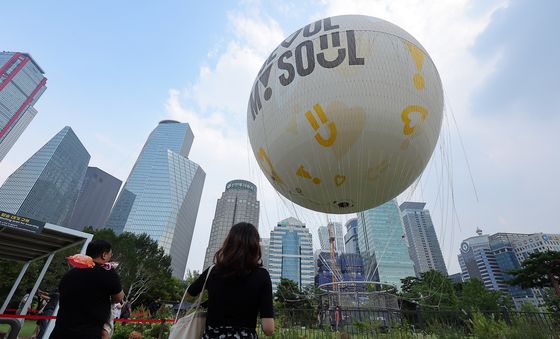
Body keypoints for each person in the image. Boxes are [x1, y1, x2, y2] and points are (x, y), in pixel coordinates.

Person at [187, 222, 274, 338]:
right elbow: (268, 329)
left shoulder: (213, 271)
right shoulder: (262, 275)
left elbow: (189, 294)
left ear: (228, 243)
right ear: (255, 246)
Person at [50, 240, 124, 339]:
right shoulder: (107, 273)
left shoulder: (70, 274)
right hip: (88, 334)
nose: (111, 256)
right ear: (104, 255)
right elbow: (119, 297)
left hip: (60, 333)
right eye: (110, 254)